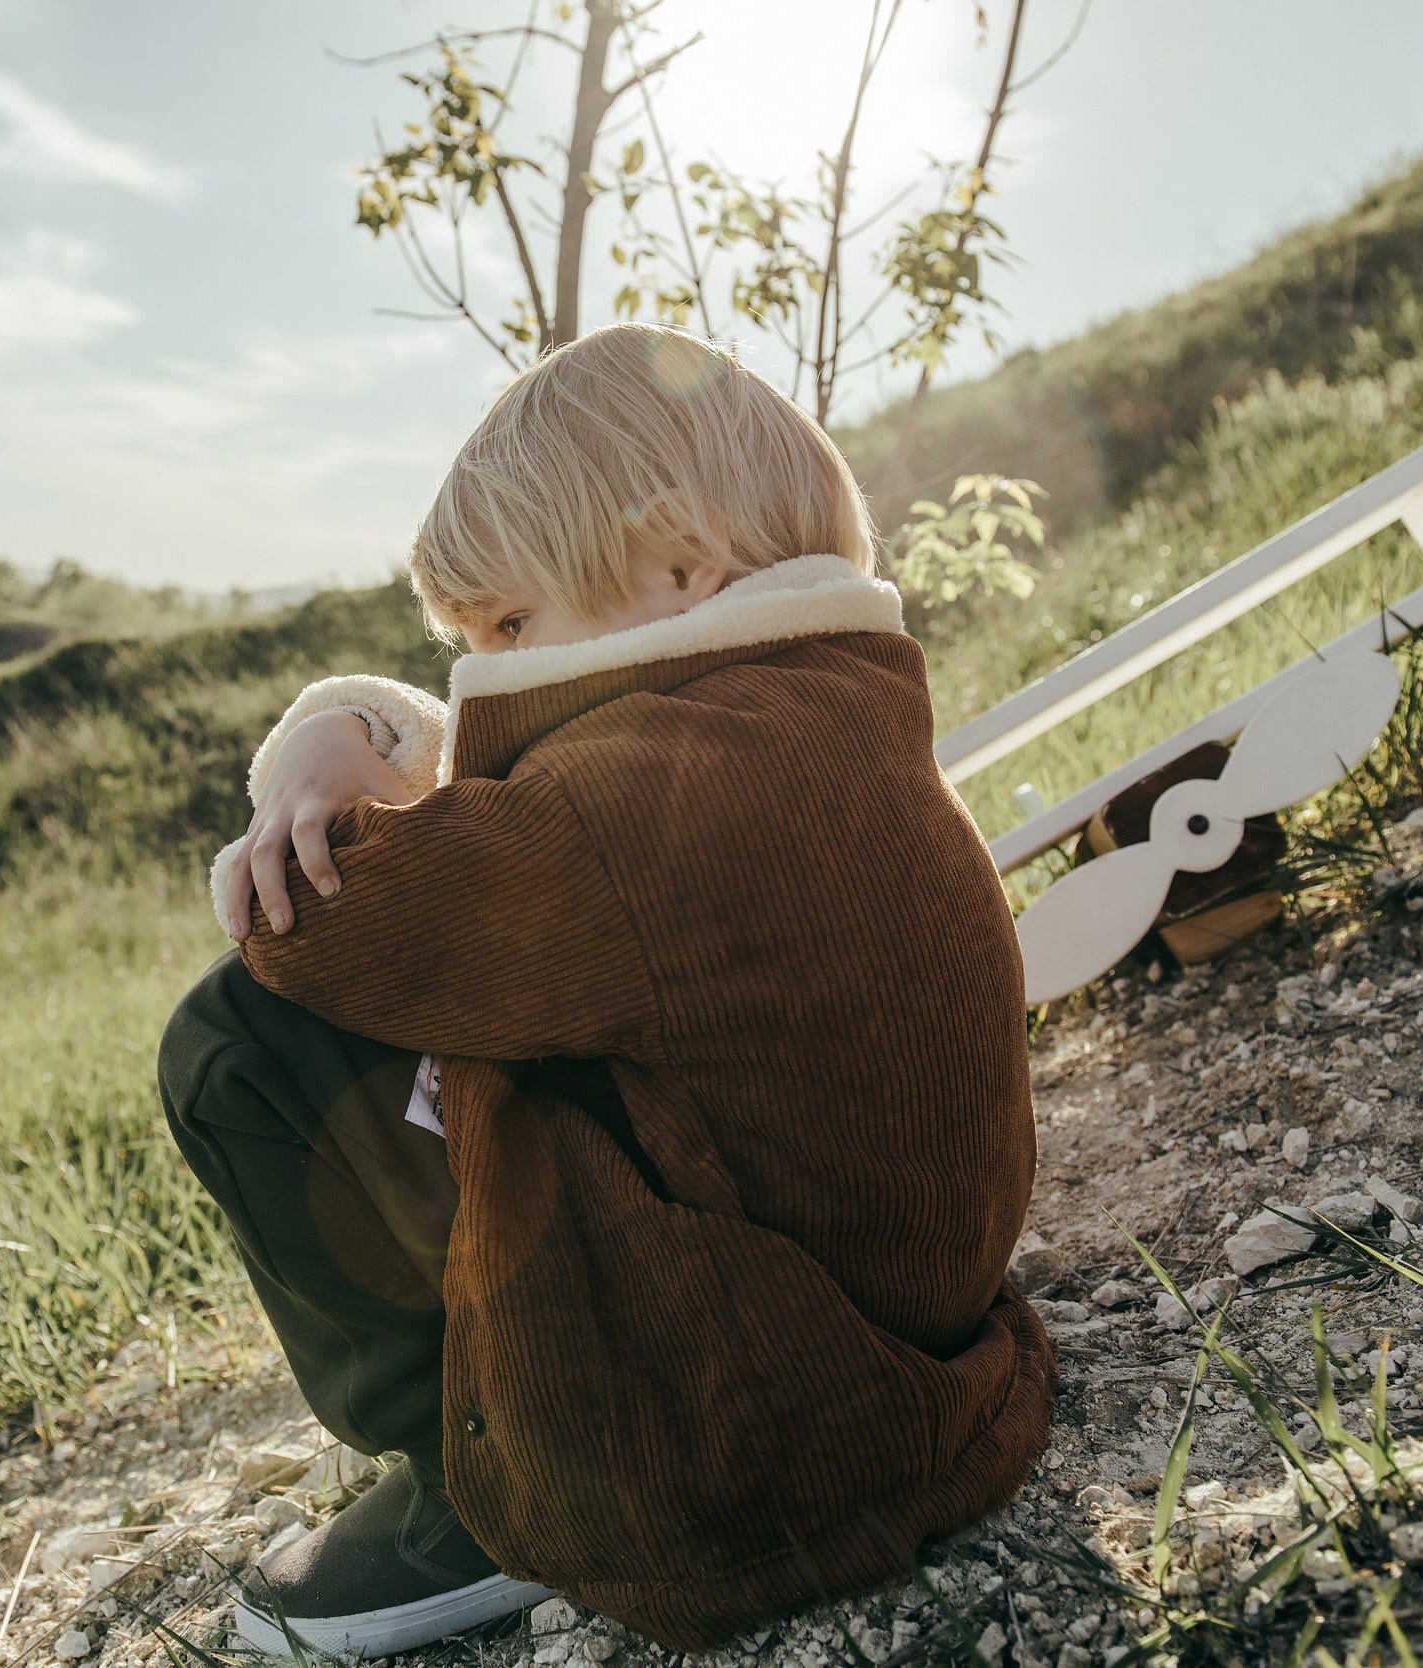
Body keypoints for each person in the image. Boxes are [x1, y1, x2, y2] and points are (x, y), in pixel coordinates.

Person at [159, 322, 1051, 1660]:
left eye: (512, 624)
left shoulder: (644, 796)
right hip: (897, 1348)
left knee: (239, 1036)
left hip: (743, 1441)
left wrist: (326, 749)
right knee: (500, 1007)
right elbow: (526, 826)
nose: (485, 673)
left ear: (682, 565)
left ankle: (489, 1494)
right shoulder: (819, 718)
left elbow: (312, 921)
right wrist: (384, 734)